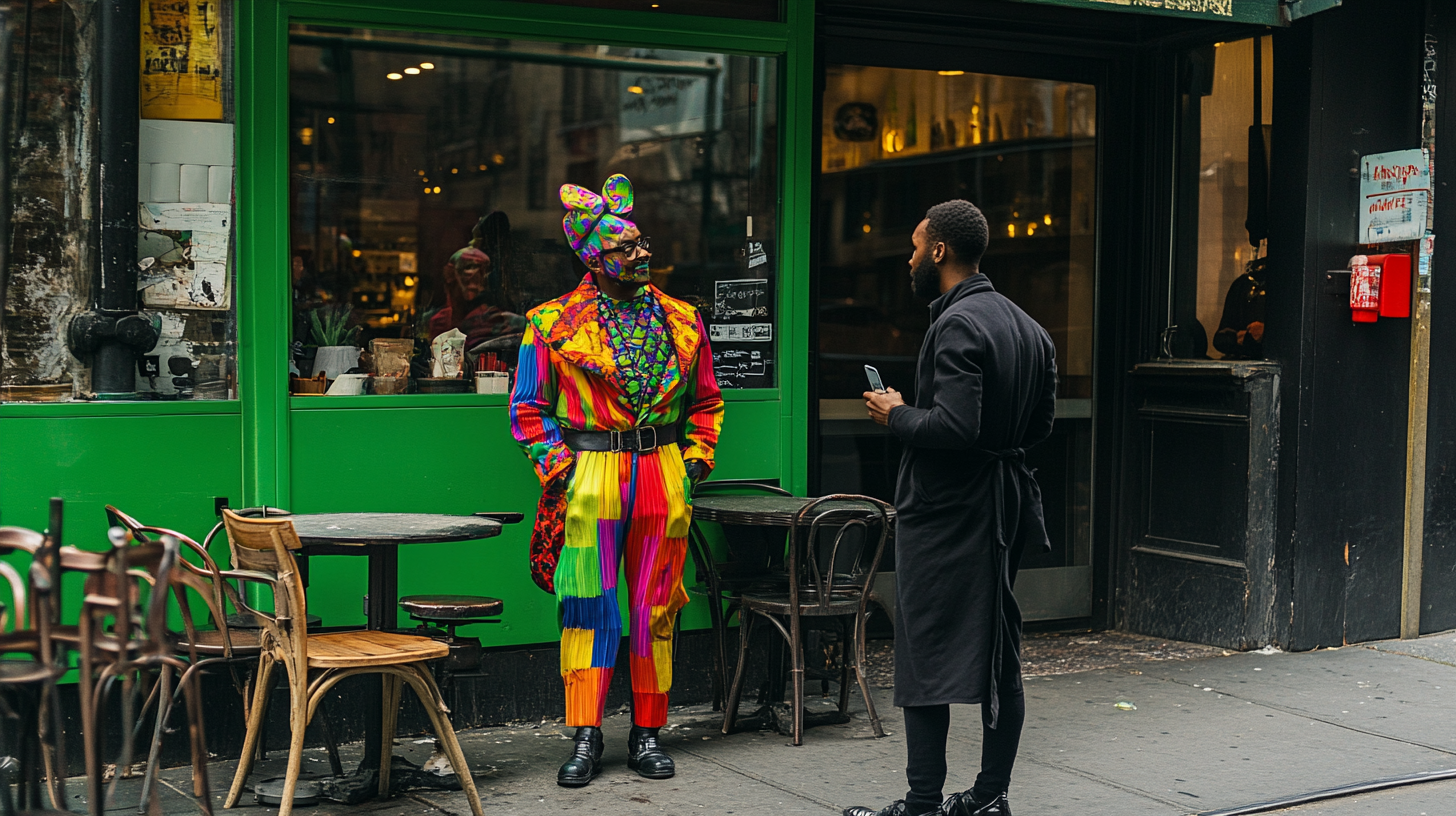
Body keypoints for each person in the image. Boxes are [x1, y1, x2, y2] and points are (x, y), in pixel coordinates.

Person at [509, 173, 725, 788]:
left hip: (661, 468)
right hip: (591, 469)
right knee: (586, 605)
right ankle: (585, 733)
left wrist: (694, 460)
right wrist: (562, 467)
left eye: (641, 243)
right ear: (594, 258)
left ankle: (649, 731)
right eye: (627, 249)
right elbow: (527, 409)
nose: (642, 254)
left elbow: (706, 401)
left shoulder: (684, 320)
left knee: (657, 605)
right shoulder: (550, 324)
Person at [849, 200, 1057, 816]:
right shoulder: (1029, 327)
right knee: (999, 646)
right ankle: (991, 798)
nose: (909, 257)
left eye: (916, 246)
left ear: (939, 251)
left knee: (925, 649)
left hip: (950, 511)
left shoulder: (959, 323)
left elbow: (956, 428)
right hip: (1006, 502)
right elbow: (1039, 426)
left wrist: (897, 414)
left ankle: (922, 804)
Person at [1212, 256, 1266, 360]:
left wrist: (1264, 333)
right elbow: (1220, 339)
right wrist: (1239, 338)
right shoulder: (1242, 284)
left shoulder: (1288, 284)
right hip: (1242, 363)